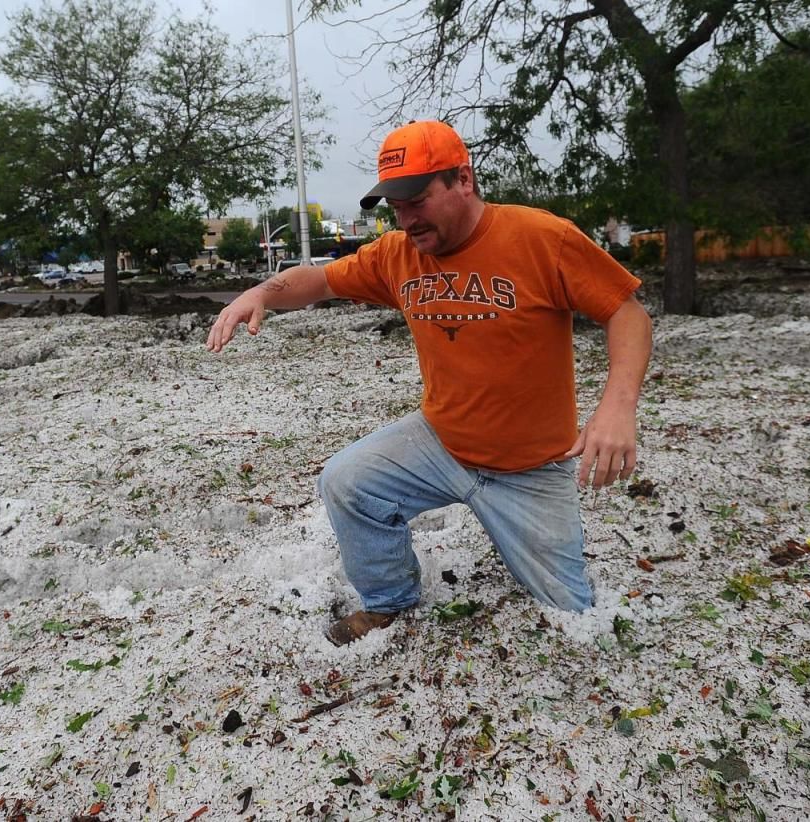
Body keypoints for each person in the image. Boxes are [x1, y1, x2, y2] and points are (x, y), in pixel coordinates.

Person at [207, 120, 652, 645]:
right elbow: (321, 279)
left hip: (532, 467)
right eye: (396, 207)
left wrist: (617, 407)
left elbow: (628, 314)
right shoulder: (398, 255)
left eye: (416, 199)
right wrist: (261, 291)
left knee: (575, 616)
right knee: (346, 482)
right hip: (441, 443)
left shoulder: (541, 239)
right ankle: (388, 602)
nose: (406, 219)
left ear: (463, 179)